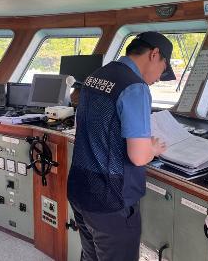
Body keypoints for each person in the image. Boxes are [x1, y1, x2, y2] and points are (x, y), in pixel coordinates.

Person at [67, 31, 175, 261]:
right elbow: (138, 156)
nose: (158, 78)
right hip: (110, 200)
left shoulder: (96, 75)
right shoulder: (135, 87)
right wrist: (153, 149)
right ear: (154, 54)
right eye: (163, 69)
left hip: (80, 191)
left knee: (90, 256)